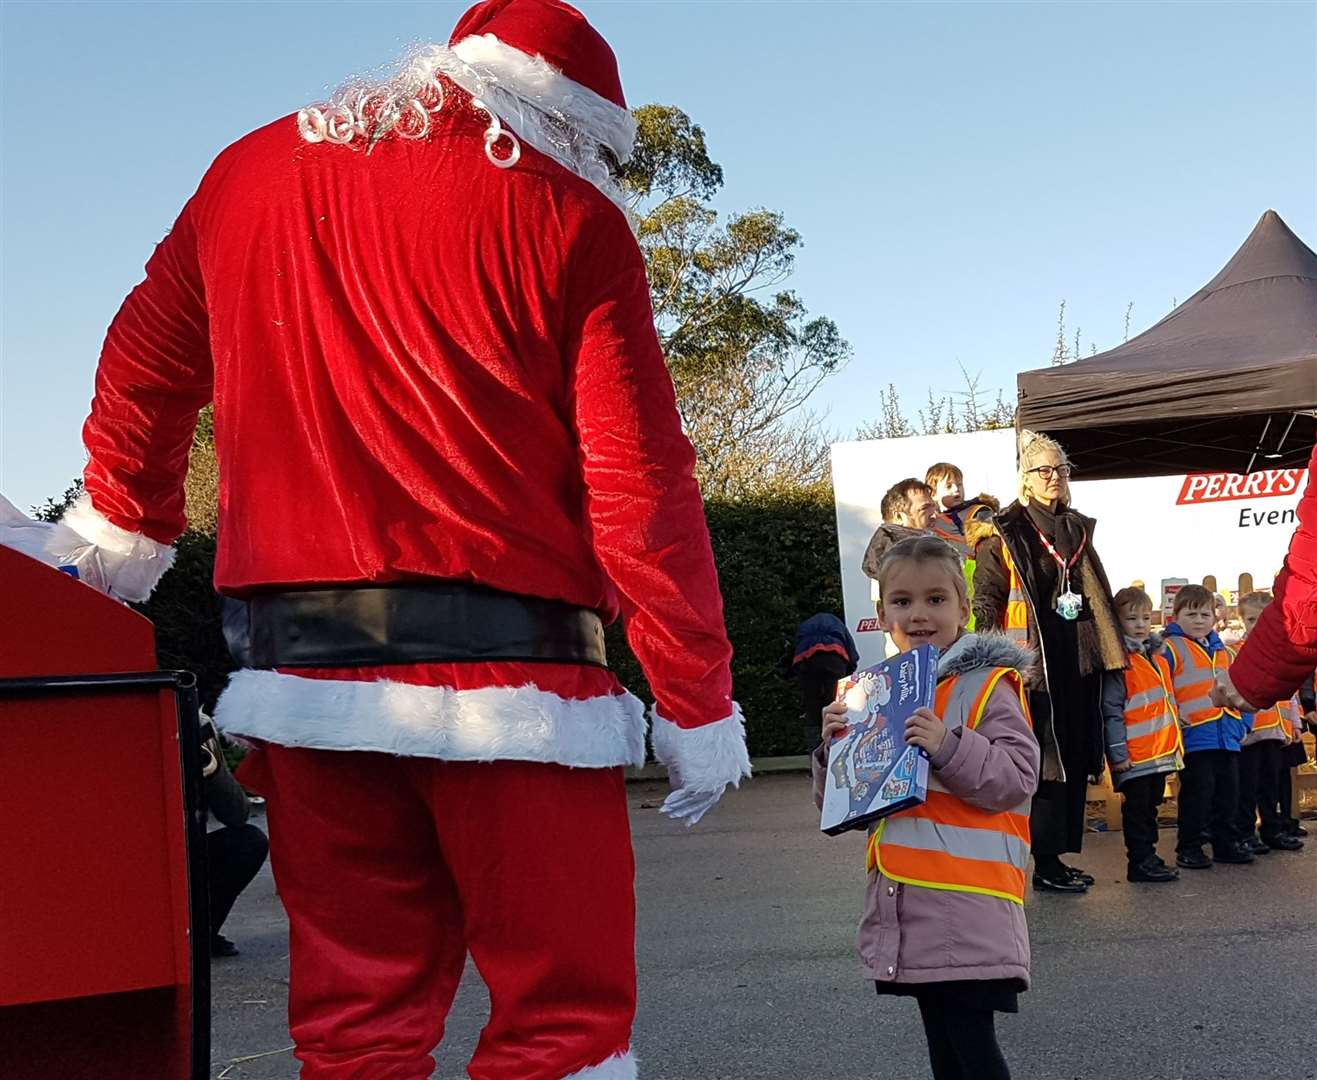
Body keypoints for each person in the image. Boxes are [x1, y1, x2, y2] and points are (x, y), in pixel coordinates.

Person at [55, 3, 751, 1076]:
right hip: (523, 693)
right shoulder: (569, 218)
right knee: (562, 1024)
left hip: (301, 673)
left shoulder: (245, 173)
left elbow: (143, 359)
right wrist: (695, 697)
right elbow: (640, 483)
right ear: (573, 124)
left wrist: (126, 524)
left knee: (355, 1023)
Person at [815, 535, 1038, 1080]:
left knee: (972, 1047)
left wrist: (948, 744)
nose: (919, 614)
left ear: (964, 608)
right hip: (910, 905)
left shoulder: (985, 685)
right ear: (882, 614)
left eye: (936, 599)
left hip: (969, 903)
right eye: (903, 601)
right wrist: (832, 750)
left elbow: (1017, 777)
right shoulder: (874, 695)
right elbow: (842, 808)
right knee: (946, 1047)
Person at [969, 431, 1125, 894]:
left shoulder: (1076, 527)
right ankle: (1045, 862)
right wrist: (984, 649)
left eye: (1060, 468)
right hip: (1033, 663)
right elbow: (988, 596)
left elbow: (1096, 588)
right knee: (1043, 762)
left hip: (1077, 654)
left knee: (1075, 754)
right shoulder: (1005, 530)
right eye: (1043, 469)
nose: (1053, 476)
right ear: (1025, 478)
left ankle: (1059, 858)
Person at [1163, 585, 1255, 869]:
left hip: (1228, 736)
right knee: (1197, 796)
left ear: (1214, 618)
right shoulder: (1170, 648)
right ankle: (1189, 847)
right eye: (1191, 613)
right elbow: (1163, 689)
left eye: (1205, 614)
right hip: (1195, 736)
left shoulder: (1225, 652)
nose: (1199, 620)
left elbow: (1243, 691)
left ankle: (1225, 843)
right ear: (1175, 616)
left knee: (1229, 795)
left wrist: (1244, 725)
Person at [1101, 587, 1182, 883]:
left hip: (1158, 752)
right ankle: (1139, 861)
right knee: (1137, 811)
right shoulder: (1120, 663)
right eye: (1131, 618)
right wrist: (1118, 754)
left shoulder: (1156, 658)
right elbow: (1112, 711)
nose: (1140, 624)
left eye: (1145, 618)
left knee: (1150, 808)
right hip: (1134, 757)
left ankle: (1149, 856)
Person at [1234, 592, 1304, 854]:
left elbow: (1292, 691)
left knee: (1271, 784)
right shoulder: (1236, 653)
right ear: (1241, 621)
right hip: (1250, 734)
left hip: (1276, 731)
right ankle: (1245, 832)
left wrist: (1294, 723)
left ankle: (1273, 829)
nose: (1258, 625)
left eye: (1263, 619)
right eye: (1251, 619)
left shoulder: (1281, 653)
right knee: (1247, 786)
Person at [200, 715, 270, 957]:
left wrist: (211, 765)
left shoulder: (195, 724)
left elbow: (236, 814)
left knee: (249, 842)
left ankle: (202, 932)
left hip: (181, 852)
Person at [925, 462, 999, 561]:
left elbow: (991, 544)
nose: (956, 489)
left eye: (959, 485)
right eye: (948, 486)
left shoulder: (977, 511)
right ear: (933, 494)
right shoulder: (930, 521)